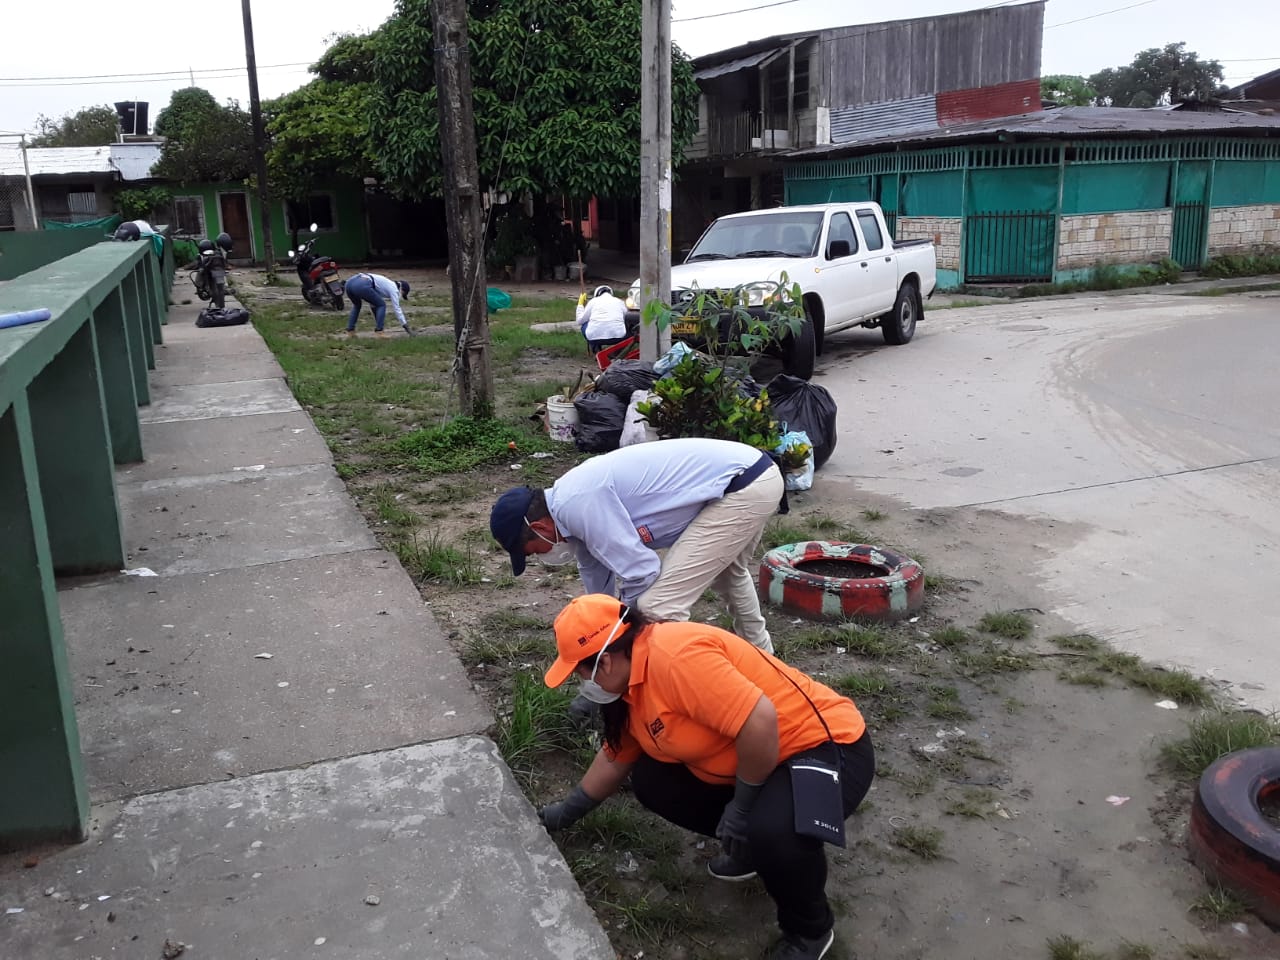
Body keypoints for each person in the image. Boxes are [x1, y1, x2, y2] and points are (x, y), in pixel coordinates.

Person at [537, 594, 874, 960]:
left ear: (605, 661)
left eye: (580, 672)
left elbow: (760, 721)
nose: (582, 681)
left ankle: (810, 930)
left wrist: (743, 809)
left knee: (775, 831)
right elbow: (615, 758)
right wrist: (565, 813)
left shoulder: (675, 658)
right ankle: (753, 848)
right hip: (758, 758)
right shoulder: (630, 683)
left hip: (824, 746)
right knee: (652, 781)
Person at [489, 437, 784, 654]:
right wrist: (603, 633)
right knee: (729, 576)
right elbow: (598, 587)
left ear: (539, 529)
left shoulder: (577, 504)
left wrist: (624, 636)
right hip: (753, 474)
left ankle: (675, 692)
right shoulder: (571, 511)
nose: (541, 558)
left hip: (743, 486)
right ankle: (768, 662)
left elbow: (641, 571)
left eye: (532, 553)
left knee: (658, 607)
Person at [344, 272, 411, 338]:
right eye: (403, 295)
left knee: (357, 305)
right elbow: (397, 309)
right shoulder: (394, 289)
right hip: (361, 284)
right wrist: (406, 326)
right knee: (382, 305)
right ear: (402, 290)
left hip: (350, 283)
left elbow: (373, 304)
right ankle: (380, 331)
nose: (400, 296)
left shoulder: (385, 283)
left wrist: (379, 321)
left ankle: (350, 330)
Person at [574, 284, 628, 354]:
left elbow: (580, 321)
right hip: (618, 337)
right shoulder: (619, 302)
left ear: (597, 294)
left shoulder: (593, 302)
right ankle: (618, 352)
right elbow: (627, 318)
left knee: (584, 325)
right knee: (627, 327)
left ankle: (596, 349)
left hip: (594, 338)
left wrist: (580, 304)